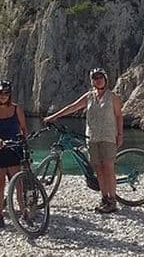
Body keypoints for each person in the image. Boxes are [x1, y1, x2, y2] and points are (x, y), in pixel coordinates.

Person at [44, 67, 123, 214]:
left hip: (108, 136)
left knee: (108, 168)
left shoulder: (113, 97)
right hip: (92, 137)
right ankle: (104, 197)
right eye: (95, 78)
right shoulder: (89, 96)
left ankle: (112, 200)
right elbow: (72, 107)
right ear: (92, 81)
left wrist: (120, 134)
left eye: (100, 77)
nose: (98, 80)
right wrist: (53, 116)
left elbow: (118, 116)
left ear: (105, 79)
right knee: (98, 169)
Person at [0, 81, 29, 227]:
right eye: (1, 93)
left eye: (6, 93)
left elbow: (23, 127)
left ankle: (23, 211)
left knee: (17, 182)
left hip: (13, 147)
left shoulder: (16, 109)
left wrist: (24, 139)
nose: (4, 96)